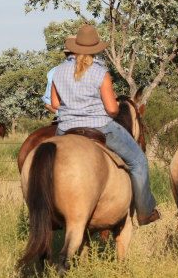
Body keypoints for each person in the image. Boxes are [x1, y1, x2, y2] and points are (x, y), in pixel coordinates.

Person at [50, 24, 160, 225]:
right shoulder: (100, 73)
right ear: (95, 48)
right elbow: (111, 110)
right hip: (99, 126)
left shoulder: (58, 72)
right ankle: (145, 211)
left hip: (65, 128)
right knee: (138, 161)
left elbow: (56, 104)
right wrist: (113, 107)